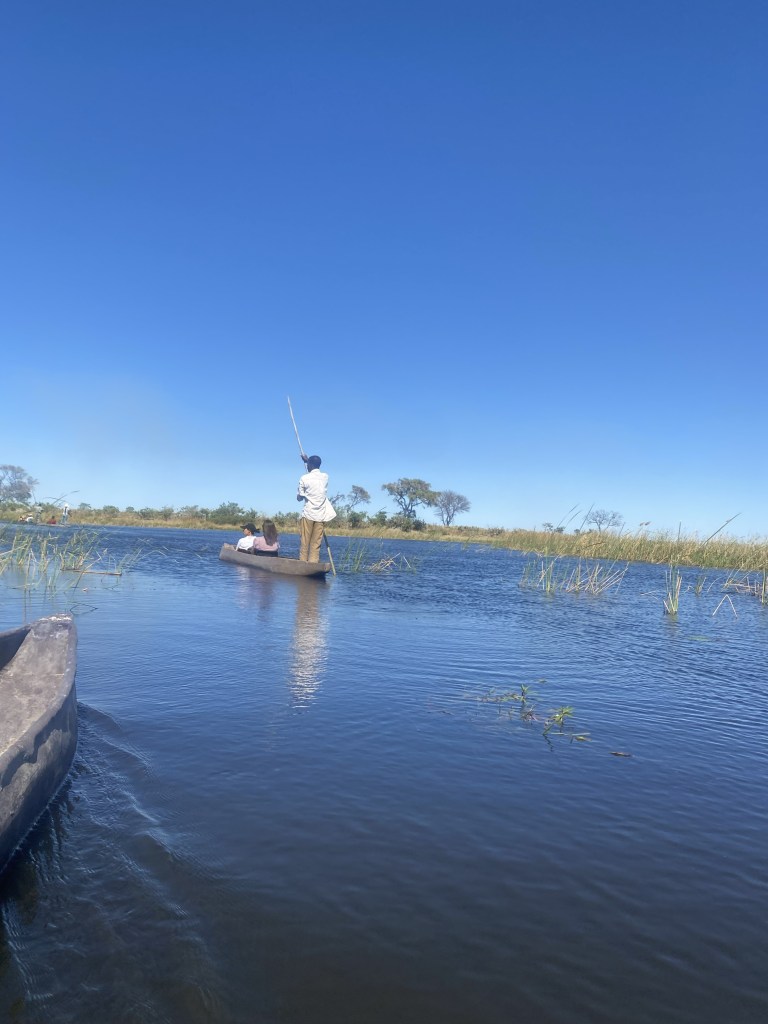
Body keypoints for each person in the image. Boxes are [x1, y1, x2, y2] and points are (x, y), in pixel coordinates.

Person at [296, 454, 336, 562]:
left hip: (308, 514)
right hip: (320, 515)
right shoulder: (325, 477)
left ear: (309, 465)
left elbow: (299, 497)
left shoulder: (304, 478)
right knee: (316, 544)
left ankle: (303, 564)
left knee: (304, 543)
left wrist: (299, 494)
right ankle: (313, 563)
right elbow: (314, 467)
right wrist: (307, 460)